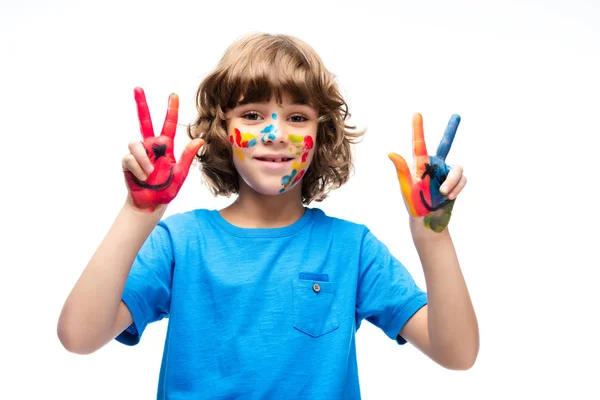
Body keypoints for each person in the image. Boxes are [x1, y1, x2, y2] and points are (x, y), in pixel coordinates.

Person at [57, 33, 479, 399]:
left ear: (321, 133)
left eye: (297, 117)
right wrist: (138, 212)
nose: (275, 133)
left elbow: (457, 353)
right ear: (223, 129)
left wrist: (433, 234)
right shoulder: (181, 242)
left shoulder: (352, 248)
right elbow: (78, 336)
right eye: (253, 115)